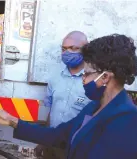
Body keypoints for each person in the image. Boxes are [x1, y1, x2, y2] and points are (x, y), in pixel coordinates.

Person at [0, 34, 137, 159]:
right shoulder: (93, 107)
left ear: (105, 77)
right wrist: (12, 121)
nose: (83, 79)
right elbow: (58, 135)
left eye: (86, 74)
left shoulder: (131, 121)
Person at [36, 31, 91, 159]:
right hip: (53, 143)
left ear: (86, 50)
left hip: (77, 147)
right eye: (64, 49)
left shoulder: (93, 80)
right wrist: (43, 140)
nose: (67, 52)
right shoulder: (55, 78)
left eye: (73, 48)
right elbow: (51, 111)